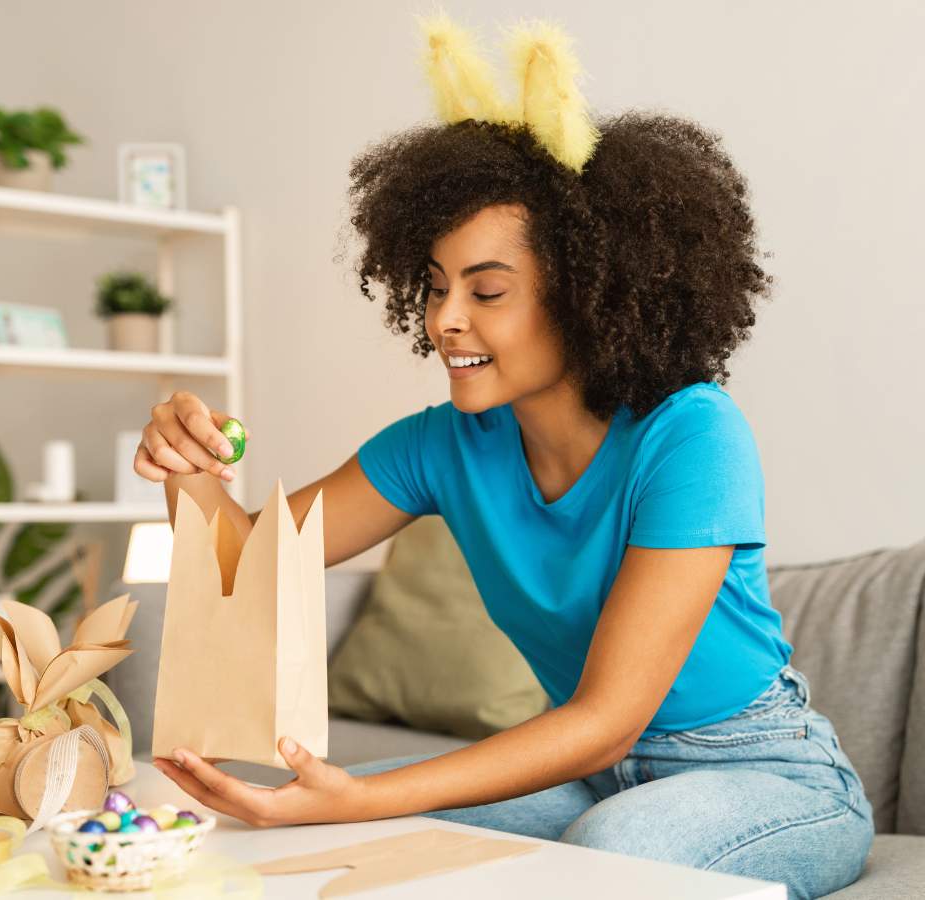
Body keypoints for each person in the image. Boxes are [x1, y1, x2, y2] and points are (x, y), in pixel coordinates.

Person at [135, 14, 873, 898]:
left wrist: (357, 798)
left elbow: (605, 720)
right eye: (437, 287)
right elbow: (238, 573)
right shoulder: (439, 445)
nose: (446, 320)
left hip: (766, 774)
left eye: (487, 290)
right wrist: (189, 471)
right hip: (592, 774)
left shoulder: (692, 434)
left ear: (593, 293)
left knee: (611, 847)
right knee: (347, 838)